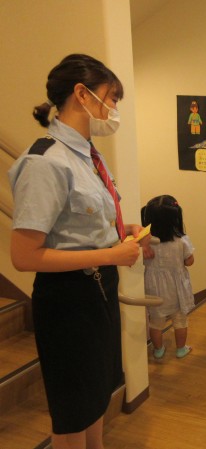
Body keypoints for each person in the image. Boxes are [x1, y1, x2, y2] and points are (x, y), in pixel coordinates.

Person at [8, 54, 145, 449]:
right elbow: (25, 256)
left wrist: (122, 232)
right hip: (68, 299)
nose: (115, 109)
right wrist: (108, 255)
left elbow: (82, 226)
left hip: (99, 289)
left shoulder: (88, 154)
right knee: (72, 407)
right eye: (112, 98)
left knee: (96, 393)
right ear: (82, 95)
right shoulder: (45, 162)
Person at [141, 195, 195, 360]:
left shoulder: (145, 242)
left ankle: (158, 350)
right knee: (180, 321)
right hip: (177, 289)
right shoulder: (182, 240)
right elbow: (190, 261)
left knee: (155, 322)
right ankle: (181, 349)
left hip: (153, 288)